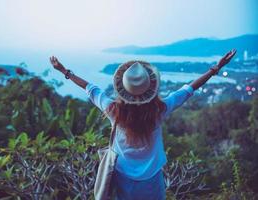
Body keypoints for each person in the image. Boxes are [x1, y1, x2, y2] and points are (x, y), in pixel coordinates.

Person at [49, 49, 236, 200]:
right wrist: (216, 68)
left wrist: (64, 71)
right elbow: (188, 89)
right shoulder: (159, 111)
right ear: (150, 89)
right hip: (152, 179)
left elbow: (90, 88)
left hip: (122, 176)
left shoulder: (114, 110)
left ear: (123, 90)